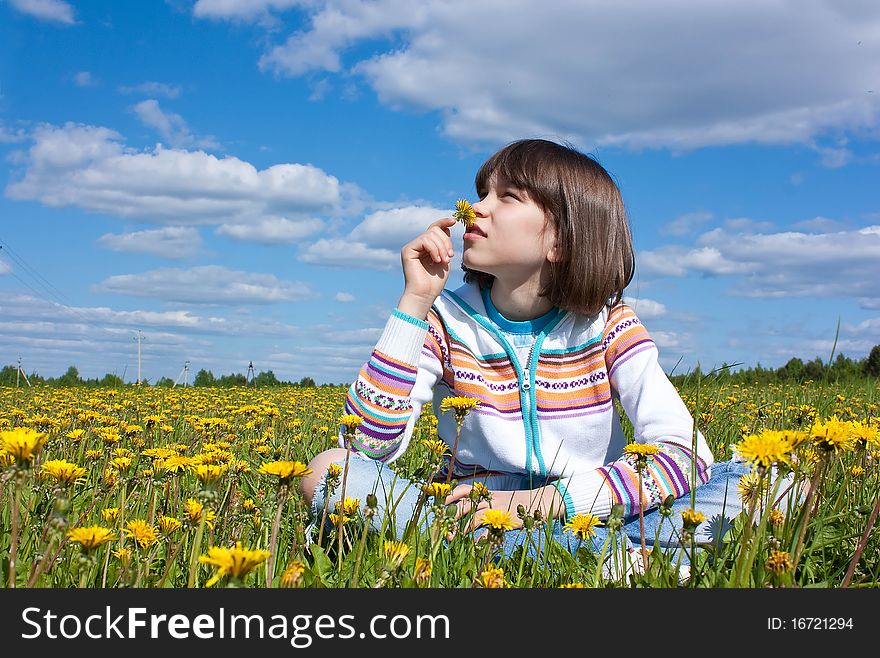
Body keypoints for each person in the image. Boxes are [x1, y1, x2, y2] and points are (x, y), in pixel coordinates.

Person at [299, 138, 756, 575]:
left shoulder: (609, 325)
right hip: (473, 514)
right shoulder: (445, 321)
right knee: (328, 472)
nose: (475, 208)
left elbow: (684, 454)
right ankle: (619, 561)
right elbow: (365, 448)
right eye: (482, 193)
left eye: (508, 196)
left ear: (560, 241)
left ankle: (551, 555)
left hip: (591, 509)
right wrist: (414, 302)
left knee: (768, 484)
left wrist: (535, 507)